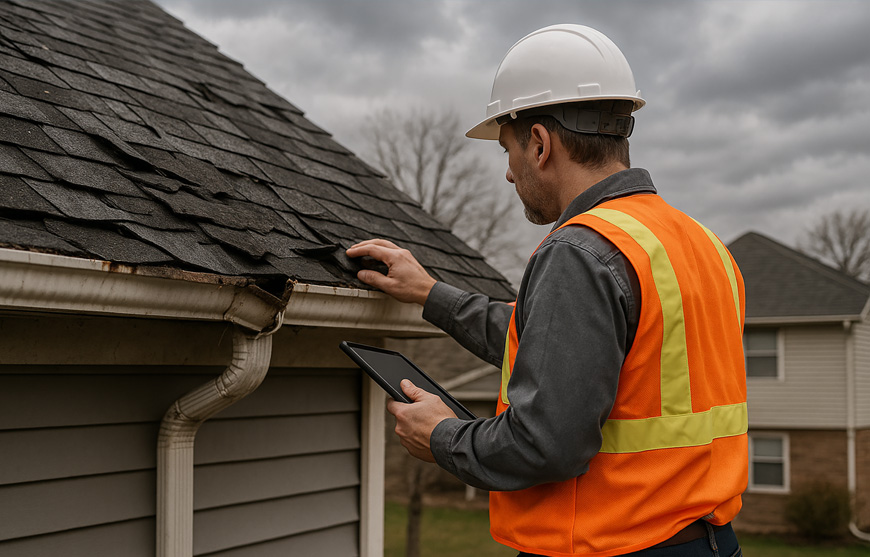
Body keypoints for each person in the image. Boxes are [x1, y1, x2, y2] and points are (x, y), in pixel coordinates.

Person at [347, 24, 747, 557]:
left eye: (507, 150)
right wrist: (429, 293)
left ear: (539, 144)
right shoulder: (700, 244)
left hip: (616, 544)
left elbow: (545, 443)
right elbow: (560, 348)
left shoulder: (580, 250)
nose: (509, 175)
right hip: (709, 540)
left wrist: (442, 437)